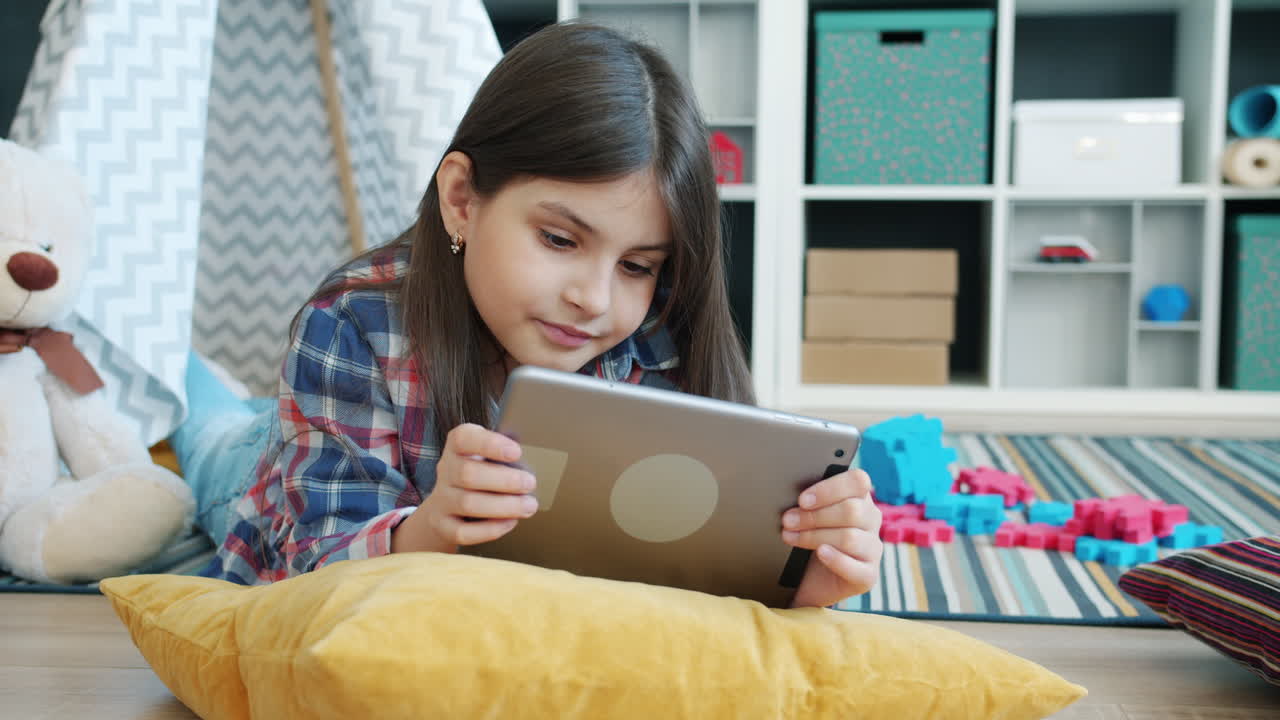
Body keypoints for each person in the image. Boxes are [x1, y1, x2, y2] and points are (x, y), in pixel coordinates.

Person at [171, 21, 883, 609]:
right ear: (462, 200)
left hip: (338, 430)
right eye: (559, 240)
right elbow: (314, 560)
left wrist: (801, 580)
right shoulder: (351, 325)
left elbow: (682, 574)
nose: (595, 299)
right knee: (206, 438)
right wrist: (431, 529)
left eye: (637, 265)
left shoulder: (656, 335)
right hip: (270, 473)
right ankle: (188, 379)